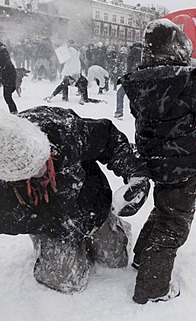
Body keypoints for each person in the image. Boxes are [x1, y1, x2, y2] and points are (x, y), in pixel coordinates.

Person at [119, 18, 196, 304]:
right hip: (181, 161)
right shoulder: (185, 79)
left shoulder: (137, 79)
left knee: (164, 209)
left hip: (154, 158)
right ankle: (152, 289)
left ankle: (142, 257)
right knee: (174, 223)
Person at [0, 106, 150, 293]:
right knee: (67, 282)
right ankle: (49, 247)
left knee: (115, 261)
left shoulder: (61, 129)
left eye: (43, 159)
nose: (42, 170)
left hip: (92, 204)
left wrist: (136, 174)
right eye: (31, 171)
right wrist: (50, 223)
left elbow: (109, 140)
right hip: (51, 227)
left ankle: (114, 227)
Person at [115, 42, 142, 119]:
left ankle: (119, 112)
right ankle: (139, 113)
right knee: (136, 96)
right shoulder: (142, 54)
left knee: (120, 93)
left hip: (131, 77)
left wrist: (128, 75)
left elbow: (130, 65)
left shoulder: (134, 51)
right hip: (138, 77)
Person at [0, 42, 18, 114]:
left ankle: (14, 112)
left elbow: (3, 66)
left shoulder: (2, 55)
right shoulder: (4, 53)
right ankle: (14, 111)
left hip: (8, 78)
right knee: (7, 96)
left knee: (7, 96)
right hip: (8, 78)